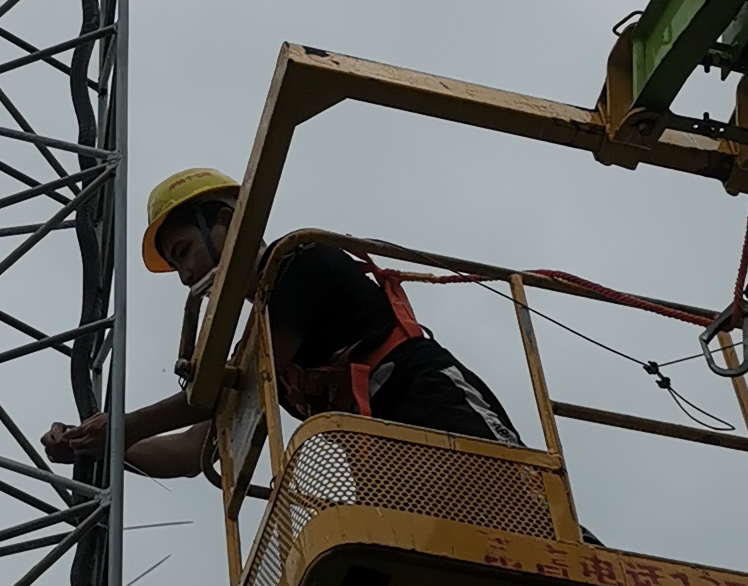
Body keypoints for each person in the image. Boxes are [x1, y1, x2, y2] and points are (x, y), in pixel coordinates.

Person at [42, 168, 523, 477]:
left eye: (184, 250)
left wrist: (121, 426)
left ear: (228, 220)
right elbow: (192, 452)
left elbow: (235, 387)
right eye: (174, 261)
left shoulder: (302, 263)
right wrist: (100, 446)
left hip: (432, 404)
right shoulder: (259, 339)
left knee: (531, 517)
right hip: (386, 463)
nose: (184, 273)